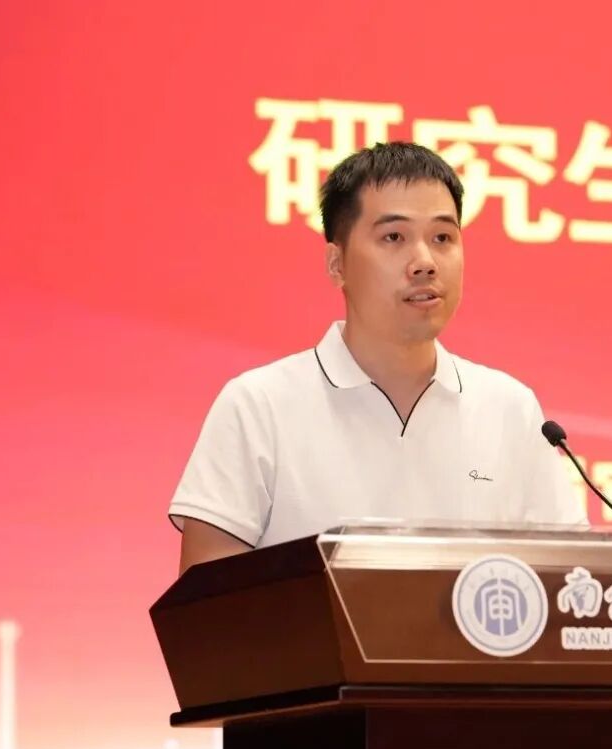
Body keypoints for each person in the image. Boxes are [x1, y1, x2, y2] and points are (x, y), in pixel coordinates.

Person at [170, 142, 586, 574]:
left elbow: (570, 581)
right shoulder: (258, 406)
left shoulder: (510, 409)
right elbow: (206, 603)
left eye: (443, 238)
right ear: (337, 263)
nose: (424, 262)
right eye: (394, 238)